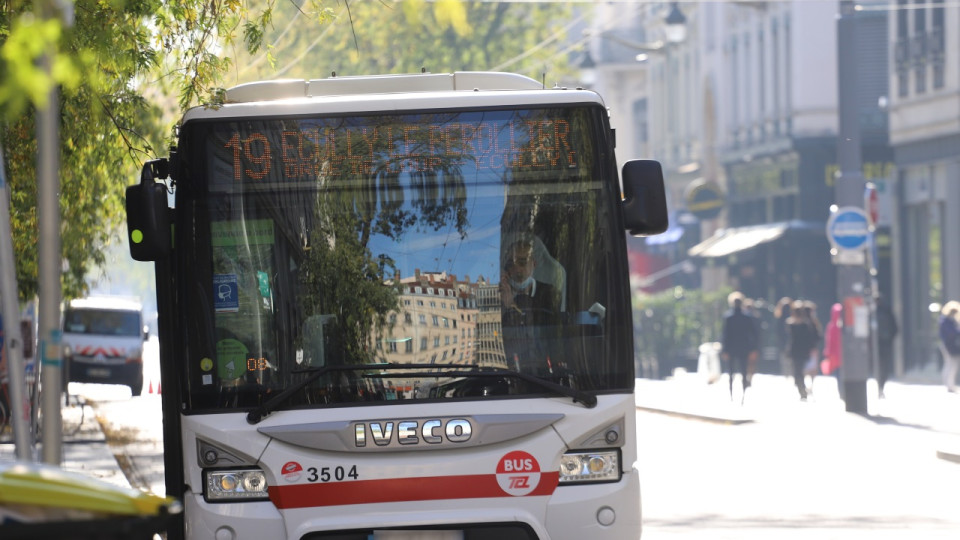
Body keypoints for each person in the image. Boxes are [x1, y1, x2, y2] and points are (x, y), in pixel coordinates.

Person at [720, 291, 758, 402]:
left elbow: (725, 335)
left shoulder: (728, 317)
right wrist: (753, 348)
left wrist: (725, 349)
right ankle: (743, 395)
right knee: (743, 371)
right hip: (744, 347)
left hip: (732, 348)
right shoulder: (747, 317)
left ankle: (732, 395)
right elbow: (753, 334)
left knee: (731, 372)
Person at [786, 300, 819, 400]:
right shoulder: (791, 324)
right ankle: (802, 390)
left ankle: (803, 390)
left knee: (800, 371)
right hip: (797, 351)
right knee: (798, 371)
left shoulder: (805, 324)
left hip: (801, 351)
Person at [875, 295, 898, 398]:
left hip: (878, 344)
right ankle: (880, 387)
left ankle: (879, 387)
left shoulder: (873, 313)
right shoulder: (887, 311)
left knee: (879, 366)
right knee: (884, 366)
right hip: (885, 343)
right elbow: (895, 328)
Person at [938, 301, 960, 393]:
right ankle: (949, 385)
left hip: (949, 345)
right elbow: (951, 333)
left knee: (950, 364)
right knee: (951, 364)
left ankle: (949, 384)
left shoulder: (949, 320)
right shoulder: (946, 321)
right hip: (948, 345)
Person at [820, 303, 843, 379]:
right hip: (843, 355)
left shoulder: (831, 326)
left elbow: (829, 341)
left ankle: (840, 388)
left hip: (834, 355)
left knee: (838, 372)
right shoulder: (843, 327)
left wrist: (827, 353)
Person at [773, 297, 793, 377]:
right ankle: (789, 374)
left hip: (786, 342)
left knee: (785, 361)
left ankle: (787, 374)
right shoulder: (782, 319)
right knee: (788, 361)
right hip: (788, 342)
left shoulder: (780, 319)